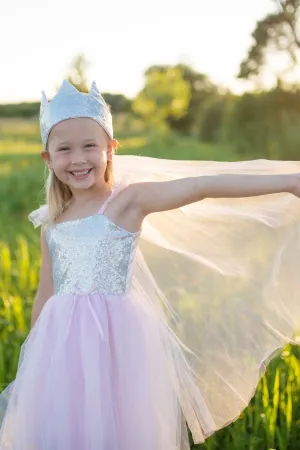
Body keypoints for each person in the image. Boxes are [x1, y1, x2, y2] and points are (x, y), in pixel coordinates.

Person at [0, 79, 299, 450]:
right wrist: (35, 363)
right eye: (65, 149)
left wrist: (290, 181)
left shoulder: (127, 202)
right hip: (61, 346)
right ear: (48, 158)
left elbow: (199, 186)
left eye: (90, 146)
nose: (78, 159)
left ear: (111, 149)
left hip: (118, 339)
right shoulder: (53, 222)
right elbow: (45, 294)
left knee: (119, 425)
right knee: (70, 427)